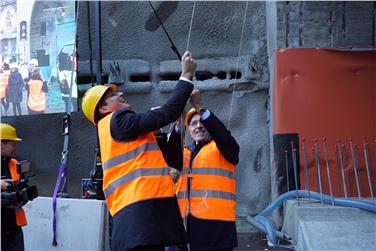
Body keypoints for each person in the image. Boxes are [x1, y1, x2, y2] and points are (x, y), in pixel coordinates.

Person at [81, 51, 196, 251]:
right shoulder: (118, 120)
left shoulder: (114, 130)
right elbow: (166, 113)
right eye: (113, 95)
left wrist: (175, 122)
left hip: (138, 222)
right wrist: (186, 76)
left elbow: (171, 160)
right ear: (103, 109)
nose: (121, 94)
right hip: (141, 219)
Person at [170, 87, 240, 251]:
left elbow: (223, 136)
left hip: (217, 232)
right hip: (185, 230)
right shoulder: (184, 154)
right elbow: (171, 153)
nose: (199, 126)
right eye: (193, 124)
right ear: (188, 130)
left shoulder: (222, 148)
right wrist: (179, 121)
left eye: (202, 122)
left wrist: (200, 106)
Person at [1, 123, 28, 251]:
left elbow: (24, 188)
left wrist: (21, 200)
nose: (15, 147)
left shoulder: (14, 163)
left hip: (13, 227)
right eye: (13, 143)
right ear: (2, 144)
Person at [58, 47, 78, 112]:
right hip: (73, 93)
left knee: (67, 107)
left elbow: (59, 82)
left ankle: (67, 115)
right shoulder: (74, 73)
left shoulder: (61, 73)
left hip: (65, 93)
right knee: (75, 107)